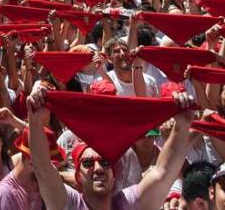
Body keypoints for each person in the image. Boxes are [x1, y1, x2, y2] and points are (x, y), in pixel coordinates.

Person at [26, 85, 195, 210]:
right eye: (87, 163)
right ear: (77, 177)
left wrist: (182, 124)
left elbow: (163, 173)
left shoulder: (127, 204)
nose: (98, 169)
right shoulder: (68, 204)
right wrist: (35, 120)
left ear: (115, 177)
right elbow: (42, 168)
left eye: (106, 163)